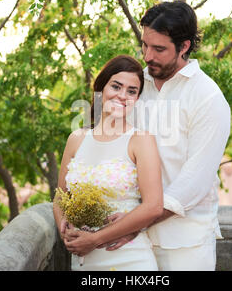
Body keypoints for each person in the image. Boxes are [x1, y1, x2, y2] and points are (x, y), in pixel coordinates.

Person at [98, 1, 231, 271]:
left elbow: (194, 182)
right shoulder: (134, 85)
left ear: (184, 47)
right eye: (145, 45)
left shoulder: (208, 98)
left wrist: (134, 222)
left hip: (184, 245)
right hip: (127, 243)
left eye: (159, 49)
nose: (147, 56)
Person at [53, 55, 164, 271]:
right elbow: (60, 196)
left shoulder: (141, 140)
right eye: (116, 86)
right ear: (100, 88)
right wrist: (64, 227)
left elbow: (153, 206)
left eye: (132, 91)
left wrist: (95, 239)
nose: (123, 96)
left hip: (129, 258)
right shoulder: (76, 139)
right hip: (83, 260)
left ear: (137, 99)